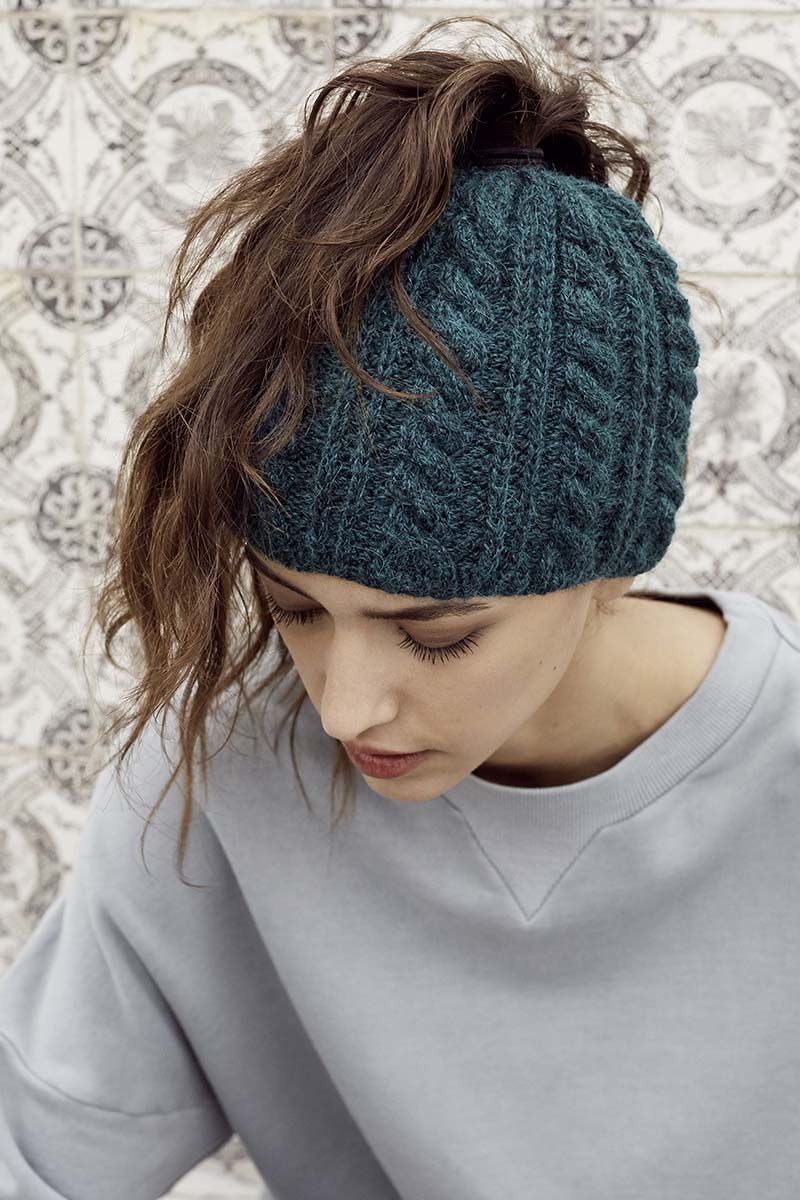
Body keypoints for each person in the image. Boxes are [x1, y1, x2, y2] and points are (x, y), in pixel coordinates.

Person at [2, 15, 799, 1200]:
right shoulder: (218, 772)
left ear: (611, 562)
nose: (342, 707)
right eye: (293, 610)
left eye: (435, 633)